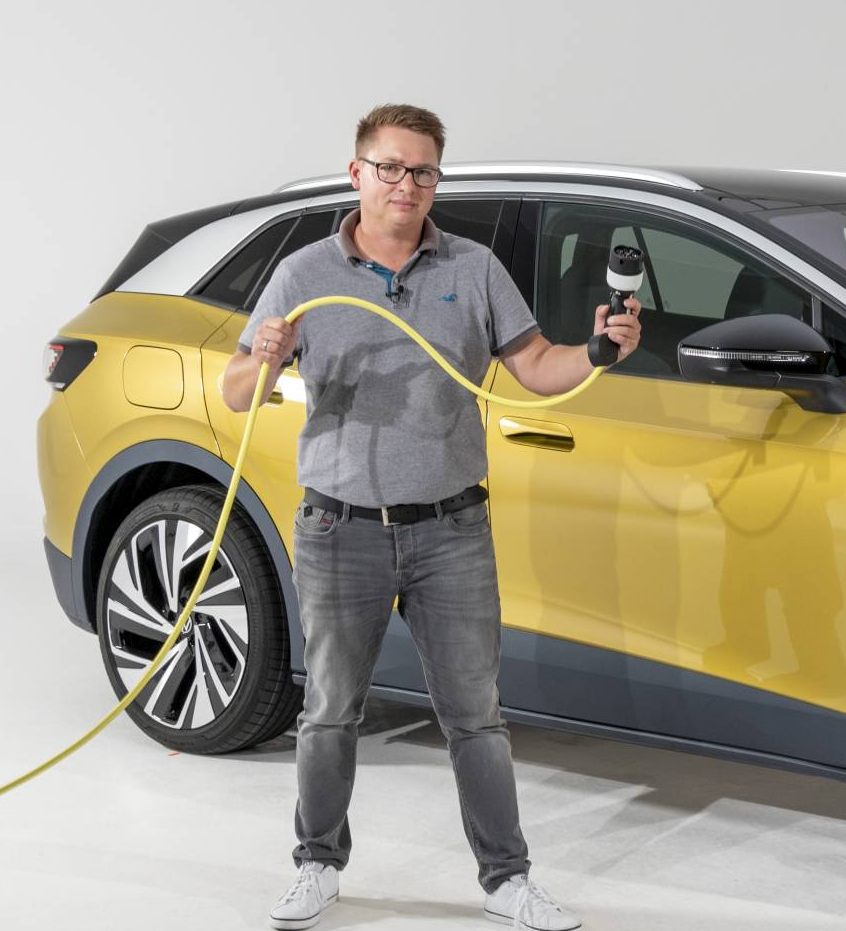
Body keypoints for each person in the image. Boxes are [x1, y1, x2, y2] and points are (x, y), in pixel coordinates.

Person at [221, 103, 640, 931]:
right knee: (330, 708)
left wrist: (599, 350)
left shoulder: (473, 269)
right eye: (390, 167)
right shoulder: (305, 274)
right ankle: (316, 864)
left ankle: (507, 879)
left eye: (422, 171)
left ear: (436, 179)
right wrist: (264, 356)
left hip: (451, 530)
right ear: (357, 173)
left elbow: (535, 366)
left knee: (475, 714)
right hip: (339, 528)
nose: (406, 184)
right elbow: (238, 391)